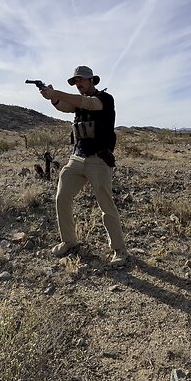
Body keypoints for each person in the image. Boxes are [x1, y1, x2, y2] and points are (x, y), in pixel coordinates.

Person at [37, 66, 129, 266]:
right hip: (77, 158)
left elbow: (86, 103)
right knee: (62, 197)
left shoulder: (105, 99)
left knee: (106, 205)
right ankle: (69, 241)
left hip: (99, 160)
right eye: (75, 82)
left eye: (81, 81)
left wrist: (57, 93)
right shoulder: (78, 103)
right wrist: (52, 98)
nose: (78, 85)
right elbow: (65, 106)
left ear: (91, 81)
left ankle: (119, 249)